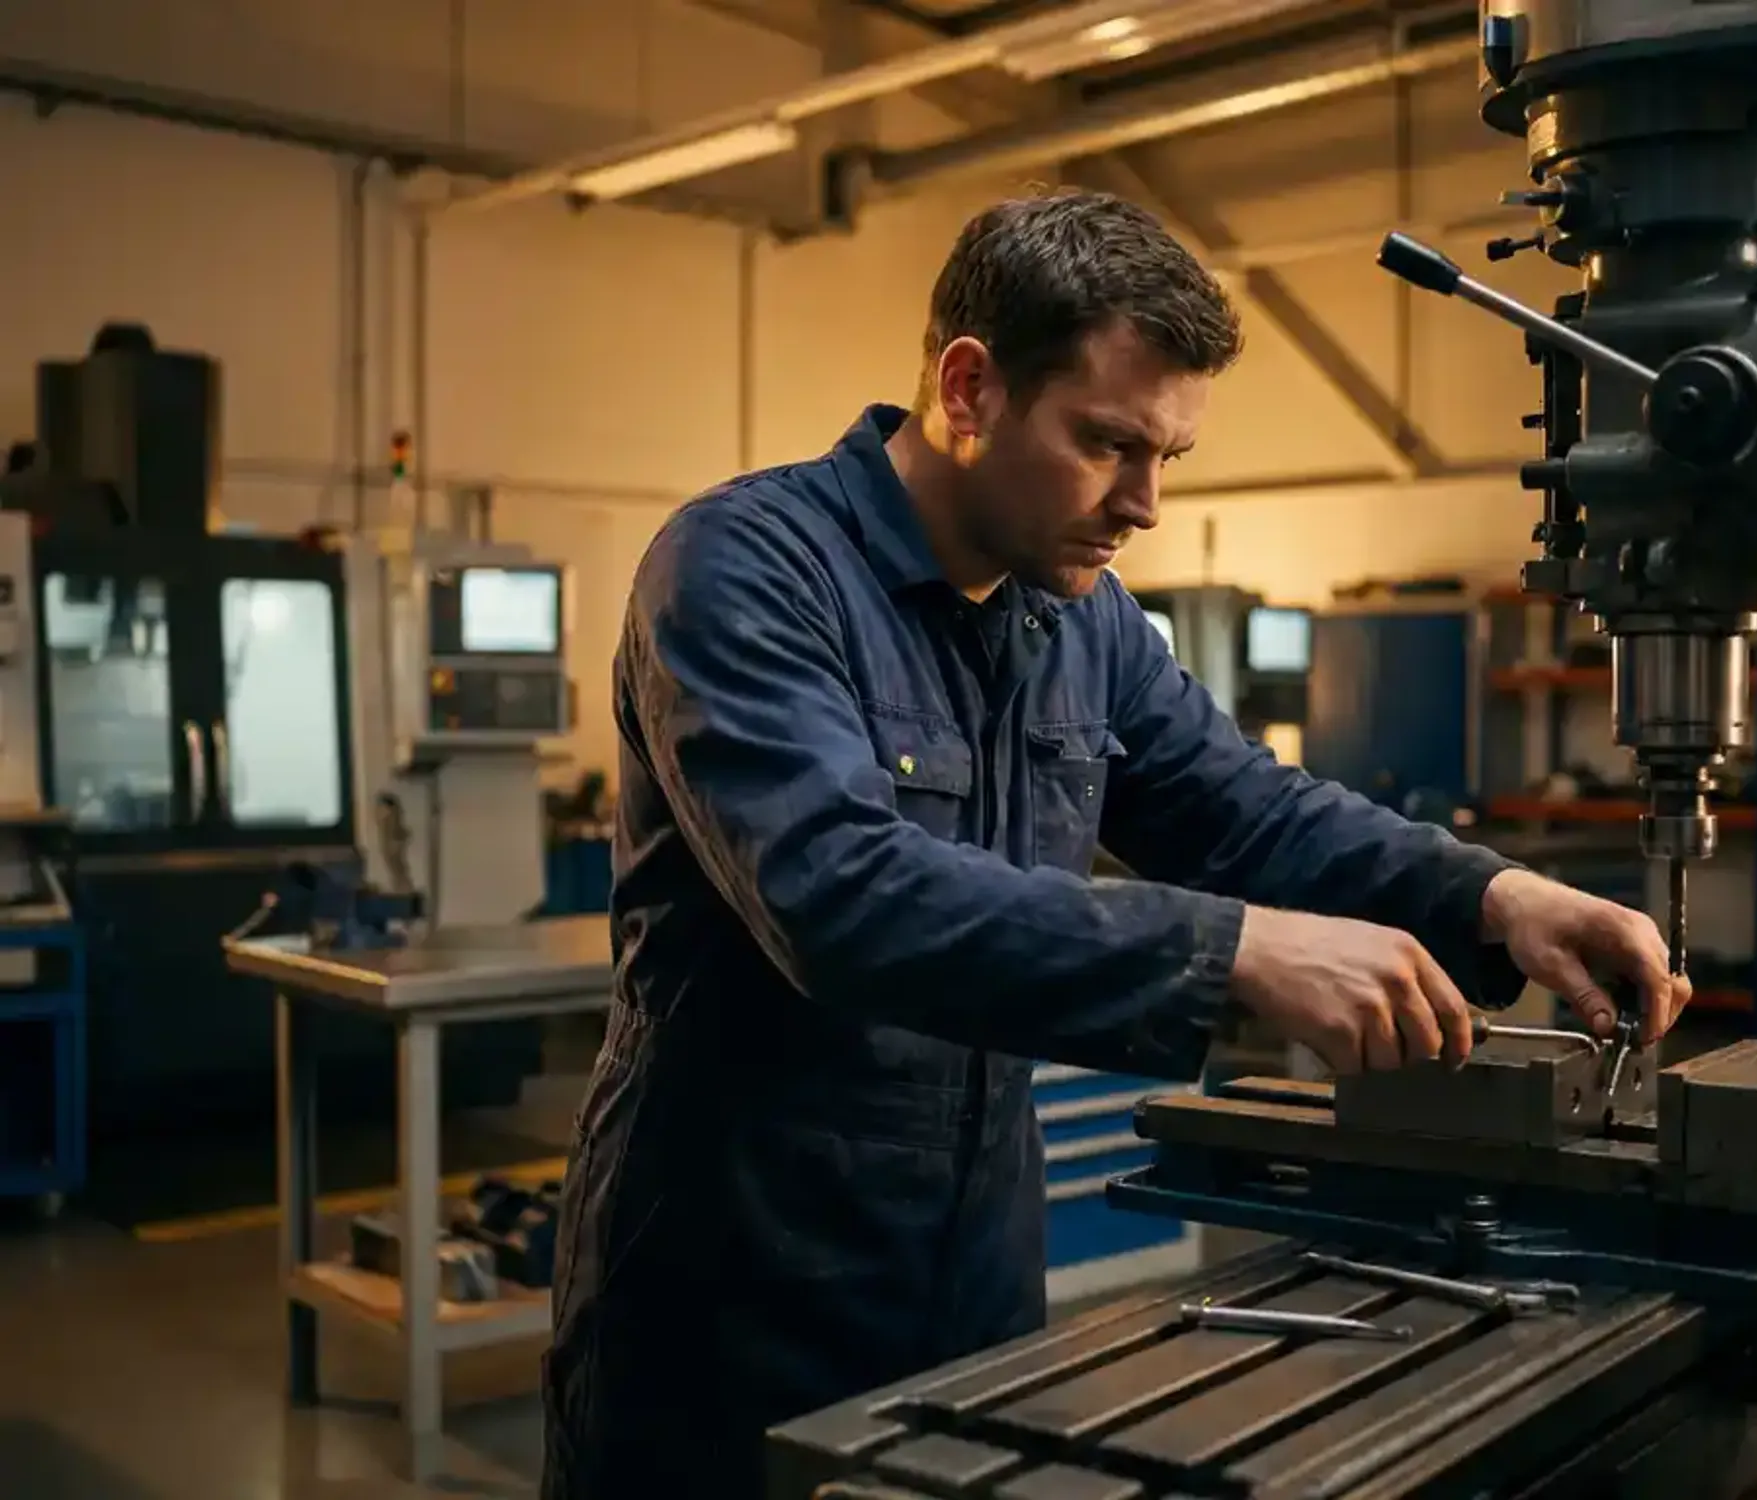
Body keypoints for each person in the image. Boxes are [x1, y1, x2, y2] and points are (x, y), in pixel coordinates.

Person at [541, 188, 1692, 1498]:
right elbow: (840, 893)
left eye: (1170, 459)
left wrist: (1498, 895)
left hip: (971, 1276)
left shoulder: (1074, 617)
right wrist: (1235, 951)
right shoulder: (746, 568)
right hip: (727, 1293)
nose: (1145, 503)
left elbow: (1241, 806)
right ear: (968, 390)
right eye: (1109, 445)